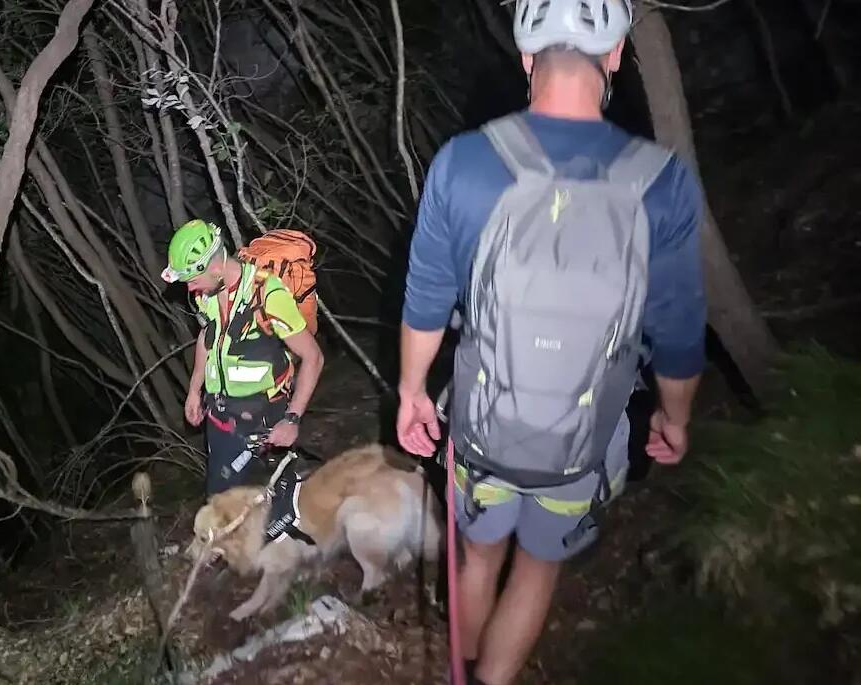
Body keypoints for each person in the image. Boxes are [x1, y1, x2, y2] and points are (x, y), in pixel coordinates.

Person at [394, 1, 706, 684]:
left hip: (482, 434)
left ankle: (462, 670)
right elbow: (679, 329)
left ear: (527, 58)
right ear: (617, 55)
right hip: (581, 449)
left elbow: (425, 300)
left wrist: (413, 392)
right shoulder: (661, 182)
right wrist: (674, 416)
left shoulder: (465, 163)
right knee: (538, 566)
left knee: (478, 558)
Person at [162, 219, 325, 496]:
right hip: (221, 417)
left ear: (215, 268)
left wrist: (292, 419)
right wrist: (194, 389)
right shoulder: (208, 294)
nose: (191, 289)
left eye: (193, 281)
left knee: (272, 504)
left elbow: (313, 358)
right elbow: (208, 336)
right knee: (223, 503)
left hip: (264, 418)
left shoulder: (267, 294)